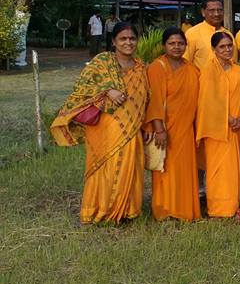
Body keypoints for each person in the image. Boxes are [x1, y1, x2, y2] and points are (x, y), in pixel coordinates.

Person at [52, 22, 148, 224]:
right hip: (105, 126)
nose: (128, 42)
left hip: (132, 127)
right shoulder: (102, 61)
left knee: (130, 167)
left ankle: (125, 212)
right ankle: (100, 211)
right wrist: (107, 90)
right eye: (123, 39)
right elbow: (81, 89)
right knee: (104, 167)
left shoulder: (141, 67)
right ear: (114, 41)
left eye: (132, 38)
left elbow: (147, 98)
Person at [144, 27, 201, 222]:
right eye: (172, 43)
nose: (176, 47)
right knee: (165, 169)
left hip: (187, 129)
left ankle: (185, 210)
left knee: (185, 170)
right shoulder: (157, 67)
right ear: (164, 46)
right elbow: (155, 101)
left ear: (186, 45)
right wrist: (159, 129)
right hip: (166, 129)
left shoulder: (192, 69)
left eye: (180, 43)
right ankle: (166, 209)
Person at [196, 32, 240, 217]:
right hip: (216, 128)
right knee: (217, 169)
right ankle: (217, 207)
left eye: (229, 45)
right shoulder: (208, 71)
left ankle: (231, 206)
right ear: (213, 49)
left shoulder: (239, 71)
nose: (227, 50)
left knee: (231, 169)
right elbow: (207, 101)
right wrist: (228, 118)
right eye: (222, 47)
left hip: (236, 128)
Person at [185, 0, 233, 68]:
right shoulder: (192, 33)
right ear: (203, 12)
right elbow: (185, 63)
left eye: (219, 10)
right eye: (212, 10)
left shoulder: (228, 34)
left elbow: (233, 62)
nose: (216, 14)